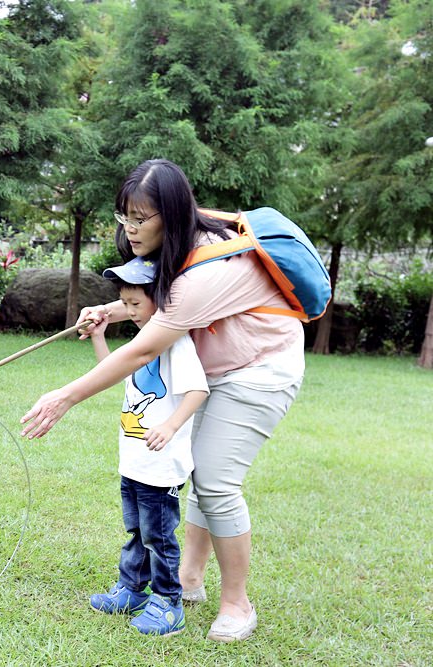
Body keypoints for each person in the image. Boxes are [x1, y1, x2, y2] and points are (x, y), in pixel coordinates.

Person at [21, 159, 305, 642]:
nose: (130, 229)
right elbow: (158, 302)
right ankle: (187, 580)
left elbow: (148, 345)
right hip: (216, 364)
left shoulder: (209, 267)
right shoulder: (175, 249)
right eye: (124, 217)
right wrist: (111, 310)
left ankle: (237, 604)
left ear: (170, 214)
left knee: (215, 480)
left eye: (141, 218)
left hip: (261, 368)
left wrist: (65, 396)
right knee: (194, 470)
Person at [86, 256, 208, 637]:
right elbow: (114, 372)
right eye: (125, 304)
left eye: (136, 304)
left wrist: (171, 426)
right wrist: (99, 335)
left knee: (158, 536)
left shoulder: (176, 344)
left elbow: (198, 390)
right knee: (138, 532)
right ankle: (133, 591)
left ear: (162, 301)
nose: (130, 311)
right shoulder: (141, 343)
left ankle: (169, 602)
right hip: (135, 463)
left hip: (161, 467)